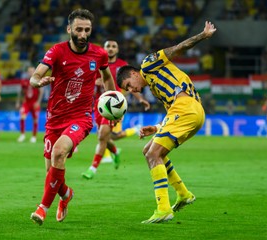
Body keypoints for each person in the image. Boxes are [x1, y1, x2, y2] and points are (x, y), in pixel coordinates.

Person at [116, 21, 217, 223]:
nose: (132, 90)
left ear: (134, 74)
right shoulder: (156, 89)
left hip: (187, 108)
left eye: (129, 85)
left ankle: (163, 208)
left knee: (153, 154)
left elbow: (177, 49)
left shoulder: (148, 64)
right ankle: (183, 193)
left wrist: (202, 35)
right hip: (190, 112)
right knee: (149, 151)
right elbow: (173, 115)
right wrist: (155, 128)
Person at [29, 9, 116, 226]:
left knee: (59, 152)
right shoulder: (57, 51)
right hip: (54, 118)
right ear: (69, 29)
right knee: (52, 173)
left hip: (81, 117)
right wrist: (36, 82)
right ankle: (66, 195)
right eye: (79, 29)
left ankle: (42, 209)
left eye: (87, 30)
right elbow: (36, 75)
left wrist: (112, 102)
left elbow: (107, 77)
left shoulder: (99, 55)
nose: (83, 34)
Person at [82, 40, 150, 179]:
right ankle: (115, 151)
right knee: (104, 137)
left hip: (115, 105)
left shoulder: (122, 66)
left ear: (117, 50)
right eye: (108, 46)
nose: (111, 49)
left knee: (102, 136)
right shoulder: (97, 63)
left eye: (114, 46)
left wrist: (140, 99)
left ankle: (92, 169)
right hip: (99, 105)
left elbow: (131, 85)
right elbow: (87, 81)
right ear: (104, 49)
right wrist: (94, 82)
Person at [16, 66, 44, 143]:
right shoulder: (24, 81)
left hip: (34, 103)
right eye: (29, 71)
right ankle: (22, 135)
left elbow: (41, 92)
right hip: (26, 103)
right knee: (22, 117)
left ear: (35, 72)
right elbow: (20, 92)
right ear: (27, 72)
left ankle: (34, 136)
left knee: (35, 120)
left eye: (32, 71)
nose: (30, 72)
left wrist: (38, 102)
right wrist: (18, 102)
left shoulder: (37, 80)